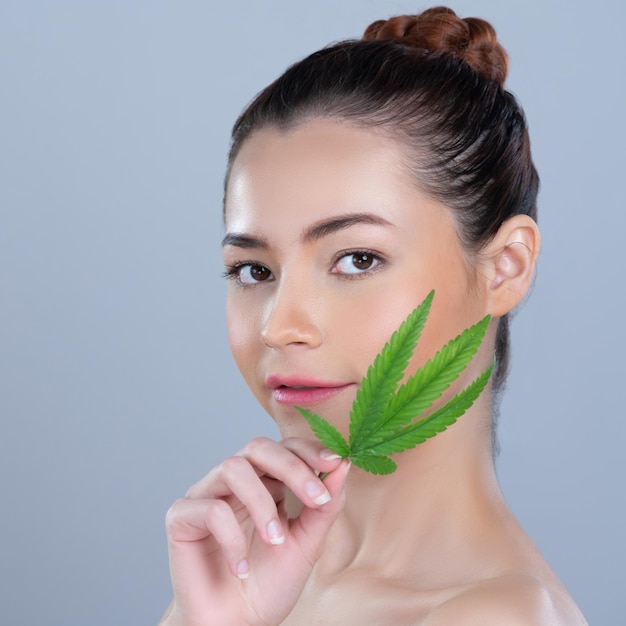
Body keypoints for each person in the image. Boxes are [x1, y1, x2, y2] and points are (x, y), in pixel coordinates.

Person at [160, 7, 587, 625]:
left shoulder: (495, 615)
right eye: (254, 270)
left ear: (505, 268)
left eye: (357, 259)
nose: (280, 327)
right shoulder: (243, 570)